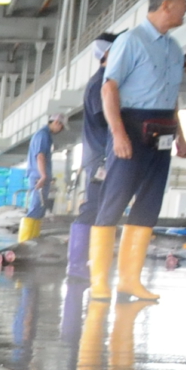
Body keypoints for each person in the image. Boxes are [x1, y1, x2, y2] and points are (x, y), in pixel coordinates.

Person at [91, 0, 186, 302]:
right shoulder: (130, 41)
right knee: (113, 203)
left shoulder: (175, 49)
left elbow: (171, 97)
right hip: (131, 127)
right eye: (183, 3)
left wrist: (181, 136)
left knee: (149, 206)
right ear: (166, 5)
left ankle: (129, 281)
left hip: (162, 130)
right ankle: (99, 282)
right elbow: (109, 89)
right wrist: (118, 132)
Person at [67, 34, 118, 281]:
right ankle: (77, 265)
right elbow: (105, 119)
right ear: (107, 54)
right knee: (93, 208)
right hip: (100, 158)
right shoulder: (101, 83)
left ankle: (89, 265)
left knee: (100, 209)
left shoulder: (105, 81)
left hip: (100, 155)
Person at [19, 115, 65, 242]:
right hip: (38, 176)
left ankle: (32, 241)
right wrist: (44, 175)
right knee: (35, 209)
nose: (61, 130)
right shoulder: (43, 135)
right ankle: (25, 242)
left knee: (39, 210)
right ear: (56, 122)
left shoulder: (45, 135)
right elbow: (40, 156)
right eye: (61, 126)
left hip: (39, 176)